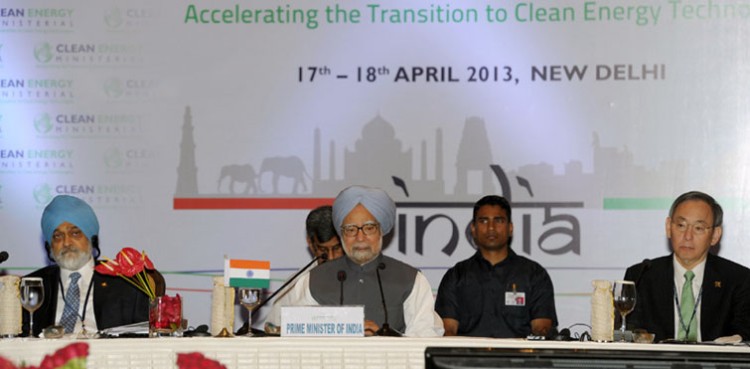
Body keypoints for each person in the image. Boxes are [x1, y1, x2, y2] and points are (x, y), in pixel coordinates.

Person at [280, 185, 444, 337]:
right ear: (341, 233)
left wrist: (385, 337)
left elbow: (424, 339)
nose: (360, 237)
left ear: (381, 230)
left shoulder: (411, 280)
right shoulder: (312, 281)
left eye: (369, 228)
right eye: (351, 229)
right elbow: (297, 339)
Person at [21, 195, 161, 337]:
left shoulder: (125, 282)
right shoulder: (31, 286)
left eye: (75, 233)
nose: (66, 243)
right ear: (50, 245)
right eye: (57, 236)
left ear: (91, 238)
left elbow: (145, 337)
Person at [624, 191, 750, 342]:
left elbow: (745, 333)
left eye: (698, 228)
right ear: (669, 227)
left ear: (715, 235)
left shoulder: (738, 279)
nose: (688, 236)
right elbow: (627, 334)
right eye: (681, 225)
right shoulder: (641, 276)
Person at [435, 195, 557, 338]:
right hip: (468, 359)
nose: (491, 227)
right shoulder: (456, 276)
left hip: (521, 359)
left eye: (498, 220)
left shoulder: (534, 274)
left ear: (510, 228)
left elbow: (542, 329)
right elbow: (447, 332)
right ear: (473, 229)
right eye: (483, 220)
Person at [263, 205, 343, 333]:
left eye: (337, 248)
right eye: (323, 250)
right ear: (311, 245)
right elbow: (272, 328)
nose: (331, 257)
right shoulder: (294, 284)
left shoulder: (364, 276)